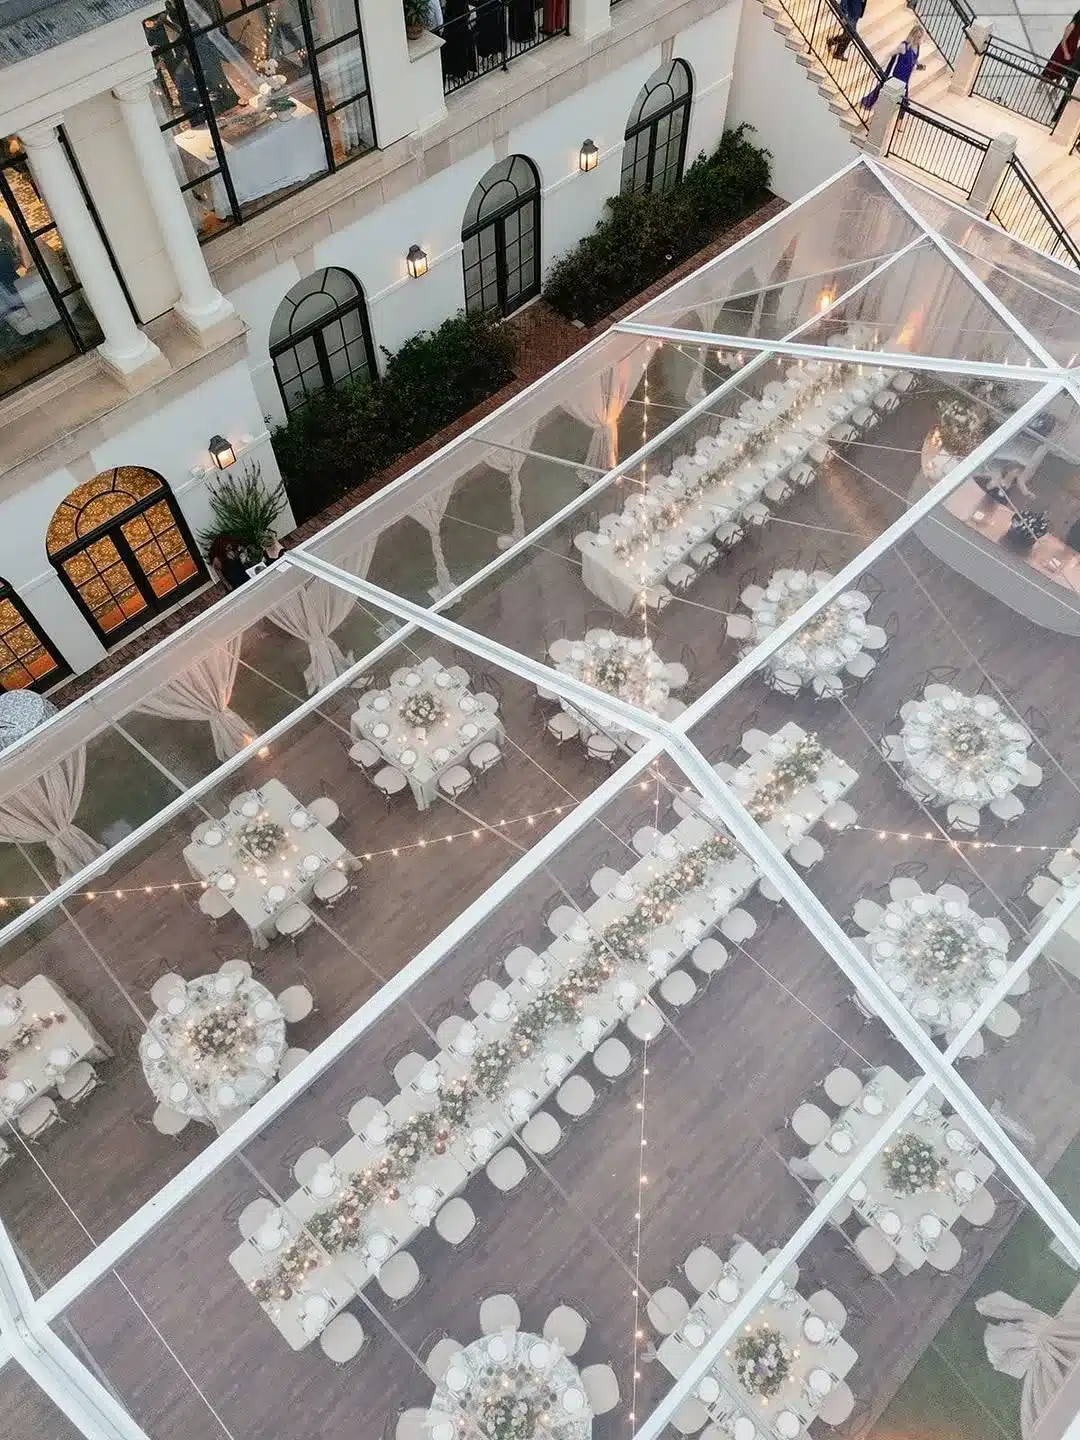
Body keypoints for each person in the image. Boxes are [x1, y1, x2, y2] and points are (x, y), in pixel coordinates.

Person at [861, 26, 924, 109]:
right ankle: (868, 102)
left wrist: (919, 65)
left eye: (920, 37)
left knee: (896, 93)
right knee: (886, 88)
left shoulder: (917, 47)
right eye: (917, 37)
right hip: (899, 73)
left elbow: (914, 59)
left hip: (907, 75)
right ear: (913, 35)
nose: (919, 39)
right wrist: (882, 65)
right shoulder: (904, 46)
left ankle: (876, 105)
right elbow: (891, 54)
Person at [1044, 10, 1080, 122]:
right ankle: (1041, 82)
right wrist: (1066, 53)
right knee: (1053, 68)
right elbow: (1064, 40)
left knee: (1062, 71)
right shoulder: (1072, 25)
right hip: (1064, 51)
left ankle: (1055, 88)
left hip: (1072, 51)